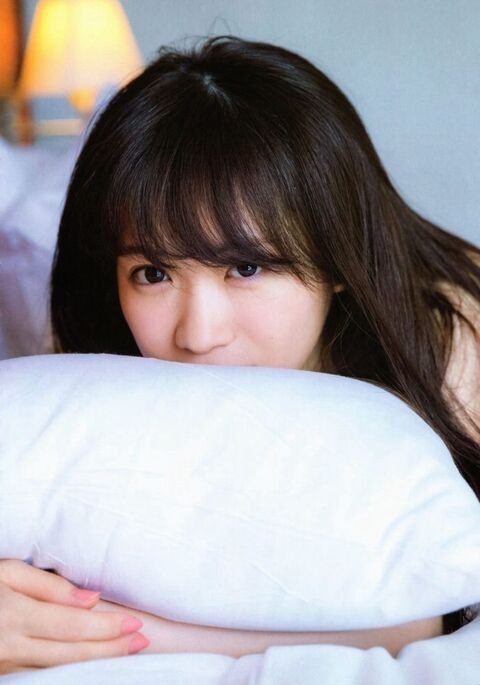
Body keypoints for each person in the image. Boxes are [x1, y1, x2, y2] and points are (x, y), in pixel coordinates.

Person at [2, 35, 479, 674]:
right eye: (152, 274)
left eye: (246, 268)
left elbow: (421, 620)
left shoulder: (452, 351)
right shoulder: (90, 372)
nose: (198, 334)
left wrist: (120, 634)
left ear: (338, 258)